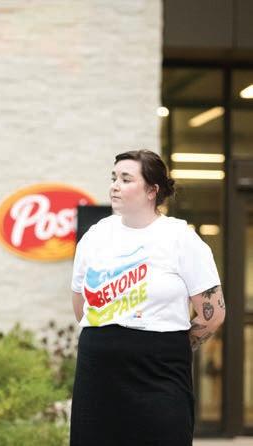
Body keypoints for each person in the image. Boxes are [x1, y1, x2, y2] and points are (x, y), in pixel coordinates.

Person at [70, 149, 225, 446]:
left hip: (160, 371)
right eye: (114, 178)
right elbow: (81, 306)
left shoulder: (180, 238)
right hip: (99, 370)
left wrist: (169, 346)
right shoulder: (95, 237)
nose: (115, 186)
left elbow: (213, 314)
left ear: (152, 190)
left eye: (126, 179)